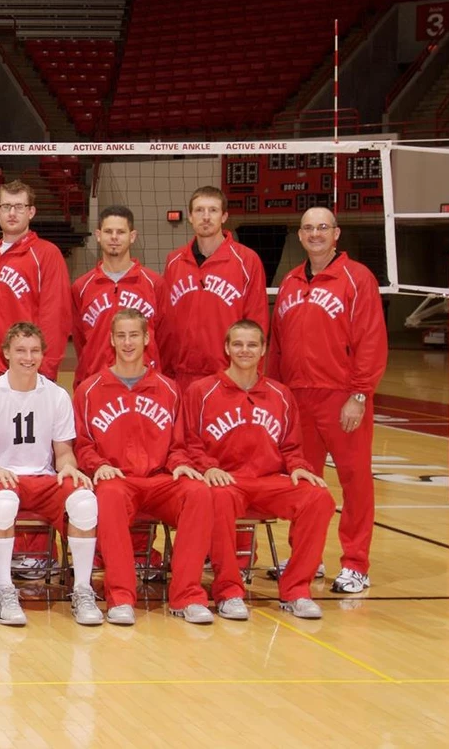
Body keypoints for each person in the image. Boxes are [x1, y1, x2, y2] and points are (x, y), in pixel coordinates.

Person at [267, 207, 387, 595]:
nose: (315, 234)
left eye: (322, 227)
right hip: (298, 397)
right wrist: (275, 395)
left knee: (354, 480)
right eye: (308, 228)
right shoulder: (288, 281)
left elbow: (370, 340)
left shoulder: (357, 278)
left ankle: (355, 563)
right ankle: (307, 557)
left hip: (341, 396)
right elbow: (279, 346)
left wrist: (358, 394)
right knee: (302, 482)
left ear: (336, 234)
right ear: (299, 236)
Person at [183, 320, 334, 621]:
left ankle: (296, 591)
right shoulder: (201, 391)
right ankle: (228, 591)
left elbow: (291, 447)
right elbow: (189, 442)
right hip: (227, 481)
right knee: (218, 498)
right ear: (226, 348)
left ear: (263, 349)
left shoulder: (280, 394)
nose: (244, 350)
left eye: (252, 344)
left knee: (319, 498)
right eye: (237, 344)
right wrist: (208, 467)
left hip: (268, 481)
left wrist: (300, 467)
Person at [72, 308, 213, 625]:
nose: (127, 342)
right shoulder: (89, 390)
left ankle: (187, 596)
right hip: (118, 480)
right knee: (106, 496)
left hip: (161, 480)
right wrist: (98, 465)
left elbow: (179, 444)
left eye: (134, 334)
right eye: (120, 335)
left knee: (199, 494)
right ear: (111, 340)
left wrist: (179, 464)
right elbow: (82, 444)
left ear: (147, 338)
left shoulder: (169, 388)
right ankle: (121, 597)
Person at [0, 322, 98, 627]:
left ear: (43, 355)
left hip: (43, 478)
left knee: (85, 501)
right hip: (3, 480)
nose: (28, 357)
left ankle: (82, 589)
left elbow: (63, 450)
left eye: (34, 351)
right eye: (20, 351)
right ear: (6, 354)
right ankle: (3, 590)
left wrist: (68, 465)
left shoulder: (56, 396)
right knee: (2, 506)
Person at [159, 186, 269, 387]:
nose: (206, 217)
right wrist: (164, 372)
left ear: (224, 216)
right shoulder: (174, 261)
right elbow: (166, 321)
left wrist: (252, 376)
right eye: (200, 210)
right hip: (180, 375)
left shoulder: (247, 260)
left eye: (213, 210)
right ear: (190, 217)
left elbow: (257, 321)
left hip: (228, 376)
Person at [0, 181, 71, 388]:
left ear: (31, 212)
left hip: (27, 369)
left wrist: (46, 371)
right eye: (7, 206)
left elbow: (55, 316)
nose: (12, 213)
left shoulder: (46, 254)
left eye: (19, 207)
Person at [70, 205, 165, 386]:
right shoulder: (81, 287)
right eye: (108, 231)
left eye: (121, 232)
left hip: (145, 384)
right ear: (98, 235)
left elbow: (165, 339)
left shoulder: (154, 284)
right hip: (96, 383)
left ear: (132, 236)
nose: (114, 237)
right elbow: (80, 341)